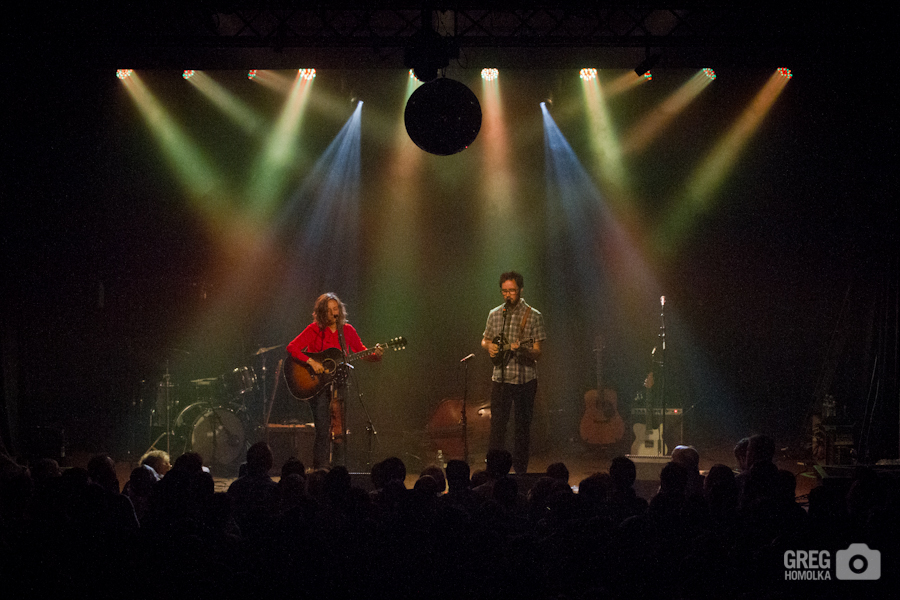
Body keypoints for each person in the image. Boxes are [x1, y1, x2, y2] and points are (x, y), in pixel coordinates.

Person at [286, 292, 383, 469]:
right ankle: (320, 470)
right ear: (322, 312)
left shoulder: (347, 330)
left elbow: (360, 351)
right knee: (323, 431)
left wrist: (375, 355)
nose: (334, 313)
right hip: (318, 386)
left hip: (340, 385)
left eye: (336, 308)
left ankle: (339, 470)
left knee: (340, 432)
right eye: (329, 310)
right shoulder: (314, 329)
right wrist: (311, 362)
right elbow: (292, 347)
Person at [481, 271, 546, 474]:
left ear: (521, 290)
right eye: (505, 291)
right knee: (497, 427)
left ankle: (520, 471)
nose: (508, 294)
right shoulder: (494, 314)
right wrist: (488, 347)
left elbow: (538, 351)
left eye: (512, 290)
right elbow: (485, 339)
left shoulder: (534, 316)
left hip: (525, 380)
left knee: (522, 428)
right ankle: (494, 471)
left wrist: (523, 349)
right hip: (500, 379)